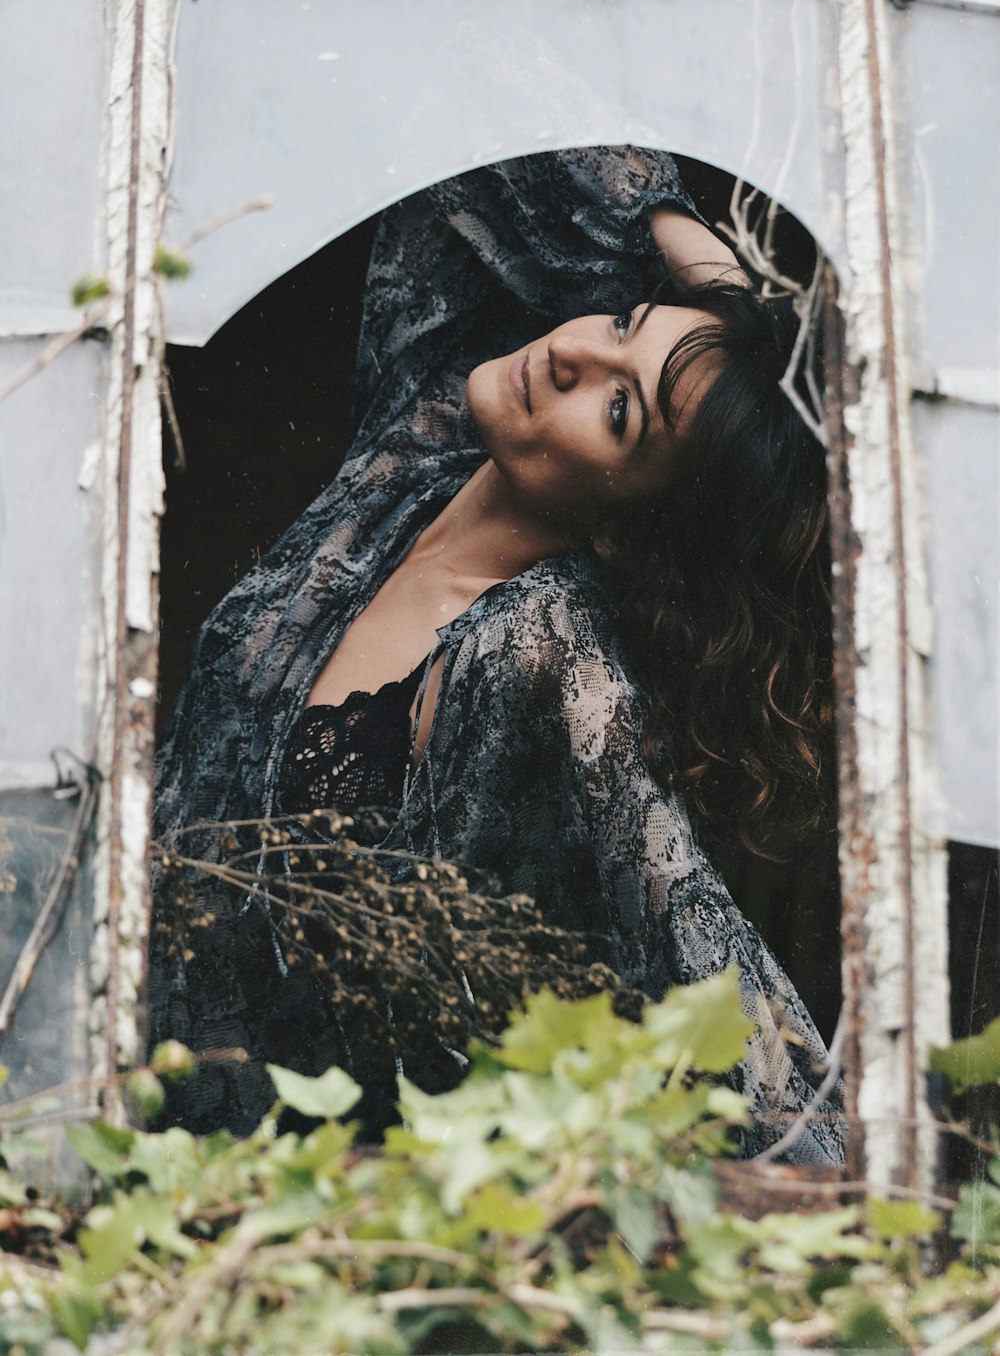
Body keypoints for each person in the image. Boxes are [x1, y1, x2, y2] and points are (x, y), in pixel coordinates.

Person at [151, 146, 842, 1163]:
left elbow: (732, 1016)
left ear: (628, 527)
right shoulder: (417, 456)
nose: (571, 356)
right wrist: (728, 288)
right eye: (618, 327)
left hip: (268, 1218)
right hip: (102, 1112)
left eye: (619, 412)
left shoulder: (539, 653)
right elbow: (477, 158)